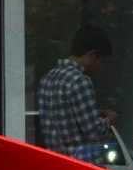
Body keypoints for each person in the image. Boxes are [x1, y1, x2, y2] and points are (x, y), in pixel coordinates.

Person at [37, 27, 117, 161]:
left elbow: (65, 117)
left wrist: (96, 113)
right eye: (101, 60)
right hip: (81, 165)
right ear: (92, 55)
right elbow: (94, 132)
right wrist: (110, 120)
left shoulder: (48, 78)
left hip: (56, 163)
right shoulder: (80, 81)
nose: (101, 67)